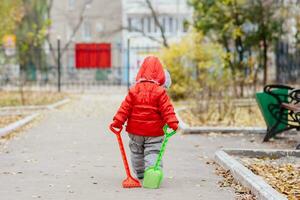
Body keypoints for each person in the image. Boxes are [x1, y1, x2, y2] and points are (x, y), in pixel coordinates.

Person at [110, 56, 179, 179]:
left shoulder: (134, 90)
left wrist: (117, 122)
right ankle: (151, 172)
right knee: (153, 151)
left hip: (135, 130)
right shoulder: (160, 91)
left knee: (136, 151)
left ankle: (140, 173)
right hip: (154, 131)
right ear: (161, 74)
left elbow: (124, 108)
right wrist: (173, 123)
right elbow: (167, 109)